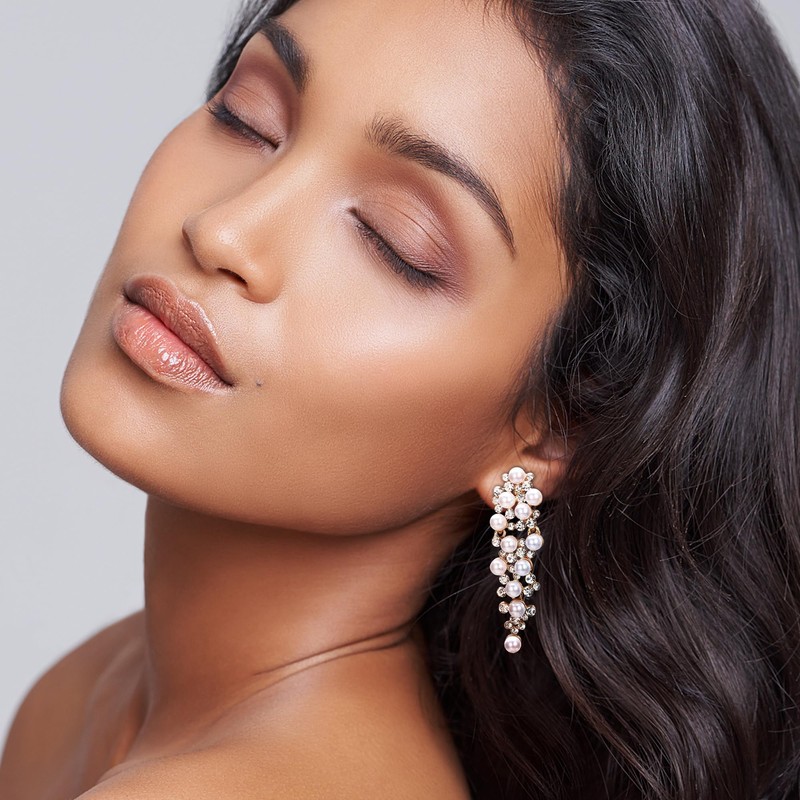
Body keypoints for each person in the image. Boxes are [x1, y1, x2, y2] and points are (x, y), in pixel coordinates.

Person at [2, 0, 800, 796]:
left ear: (554, 429)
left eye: (393, 241)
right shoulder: (84, 695)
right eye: (249, 119)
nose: (223, 230)